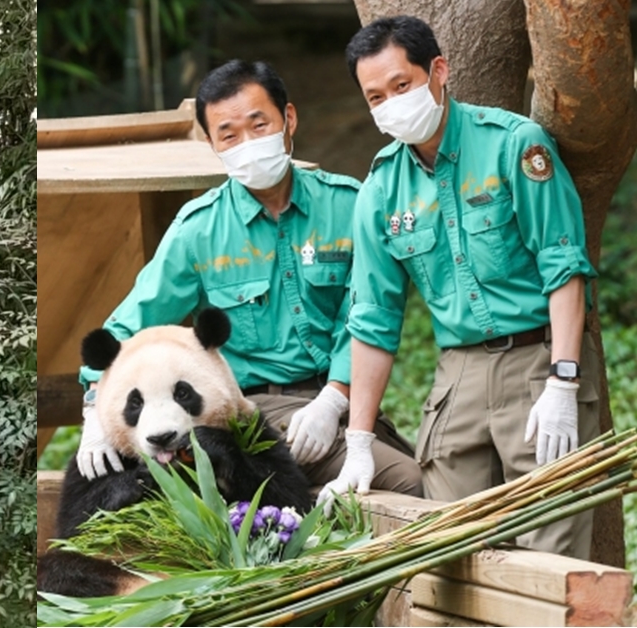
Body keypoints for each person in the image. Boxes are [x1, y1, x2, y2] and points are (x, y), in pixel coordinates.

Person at [74, 59, 422, 499]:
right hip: (249, 411)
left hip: (340, 399)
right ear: (211, 142)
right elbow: (125, 328)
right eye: (229, 135)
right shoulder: (198, 230)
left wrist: (333, 399)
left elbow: (365, 313)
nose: (248, 144)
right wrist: (94, 414)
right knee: (407, 483)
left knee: (414, 475)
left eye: (259, 126)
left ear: (288, 119)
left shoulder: (348, 205)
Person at [328, 15, 600, 560]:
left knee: (552, 550)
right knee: (452, 555)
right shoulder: (380, 190)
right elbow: (373, 320)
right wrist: (358, 441)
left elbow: (563, 265)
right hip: (459, 379)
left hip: (539, 361)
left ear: (438, 71)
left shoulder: (513, 145)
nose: (390, 104)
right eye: (375, 96)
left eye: (401, 86)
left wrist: (564, 382)